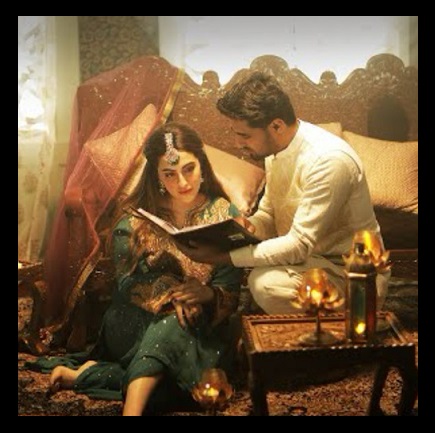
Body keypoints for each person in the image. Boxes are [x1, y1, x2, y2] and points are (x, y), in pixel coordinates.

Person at [27, 122, 243, 416]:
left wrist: (205, 295)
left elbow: (230, 291)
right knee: (172, 325)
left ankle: (84, 375)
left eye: (189, 169)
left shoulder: (225, 216)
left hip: (200, 326)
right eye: (169, 173)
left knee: (178, 387)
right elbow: (126, 285)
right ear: (156, 176)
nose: (182, 182)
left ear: (202, 165)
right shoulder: (134, 220)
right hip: (134, 321)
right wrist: (172, 297)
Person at [177, 72, 390, 314]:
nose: (238, 144)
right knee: (261, 278)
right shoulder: (276, 149)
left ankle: (351, 324)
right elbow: (269, 215)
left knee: (265, 285)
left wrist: (222, 256)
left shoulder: (329, 160)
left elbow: (299, 245)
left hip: (352, 274)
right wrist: (247, 227)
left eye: (244, 135)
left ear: (276, 126)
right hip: (309, 262)